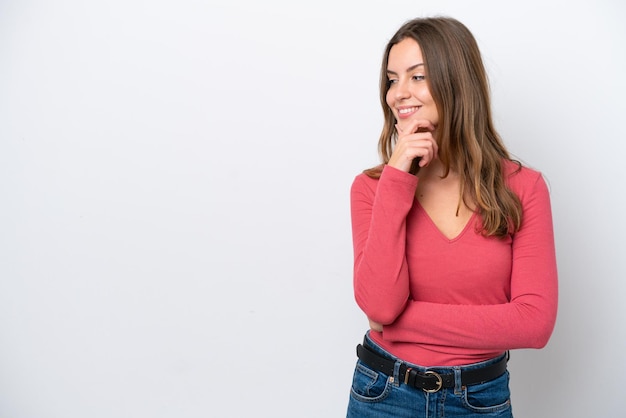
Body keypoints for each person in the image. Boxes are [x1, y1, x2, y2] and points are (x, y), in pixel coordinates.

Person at [346, 16, 558, 417]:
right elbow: (378, 302)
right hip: (384, 396)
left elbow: (533, 324)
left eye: (416, 76)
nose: (398, 94)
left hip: (480, 400)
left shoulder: (522, 188)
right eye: (392, 80)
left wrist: (395, 324)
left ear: (455, 81)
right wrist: (396, 180)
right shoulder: (373, 188)